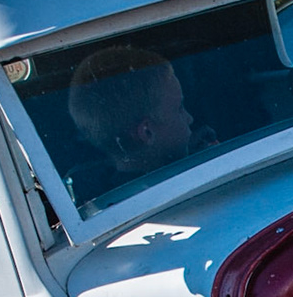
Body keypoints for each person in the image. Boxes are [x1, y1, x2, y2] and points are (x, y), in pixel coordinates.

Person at [66, 46, 214, 202]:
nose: (190, 118)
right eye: (180, 109)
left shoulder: (106, 198)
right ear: (146, 132)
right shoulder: (172, 195)